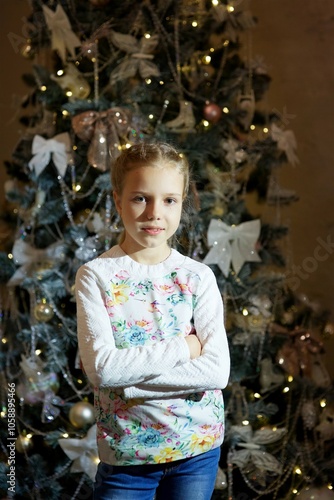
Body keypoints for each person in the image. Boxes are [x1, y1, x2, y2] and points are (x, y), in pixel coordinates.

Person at [75, 141, 230, 500]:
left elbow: (217, 372)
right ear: (118, 200)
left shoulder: (197, 276)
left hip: (197, 447)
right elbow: (103, 370)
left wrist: (129, 384)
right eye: (140, 198)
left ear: (181, 203)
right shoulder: (96, 276)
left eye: (169, 200)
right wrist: (186, 347)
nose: (154, 213)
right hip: (127, 454)